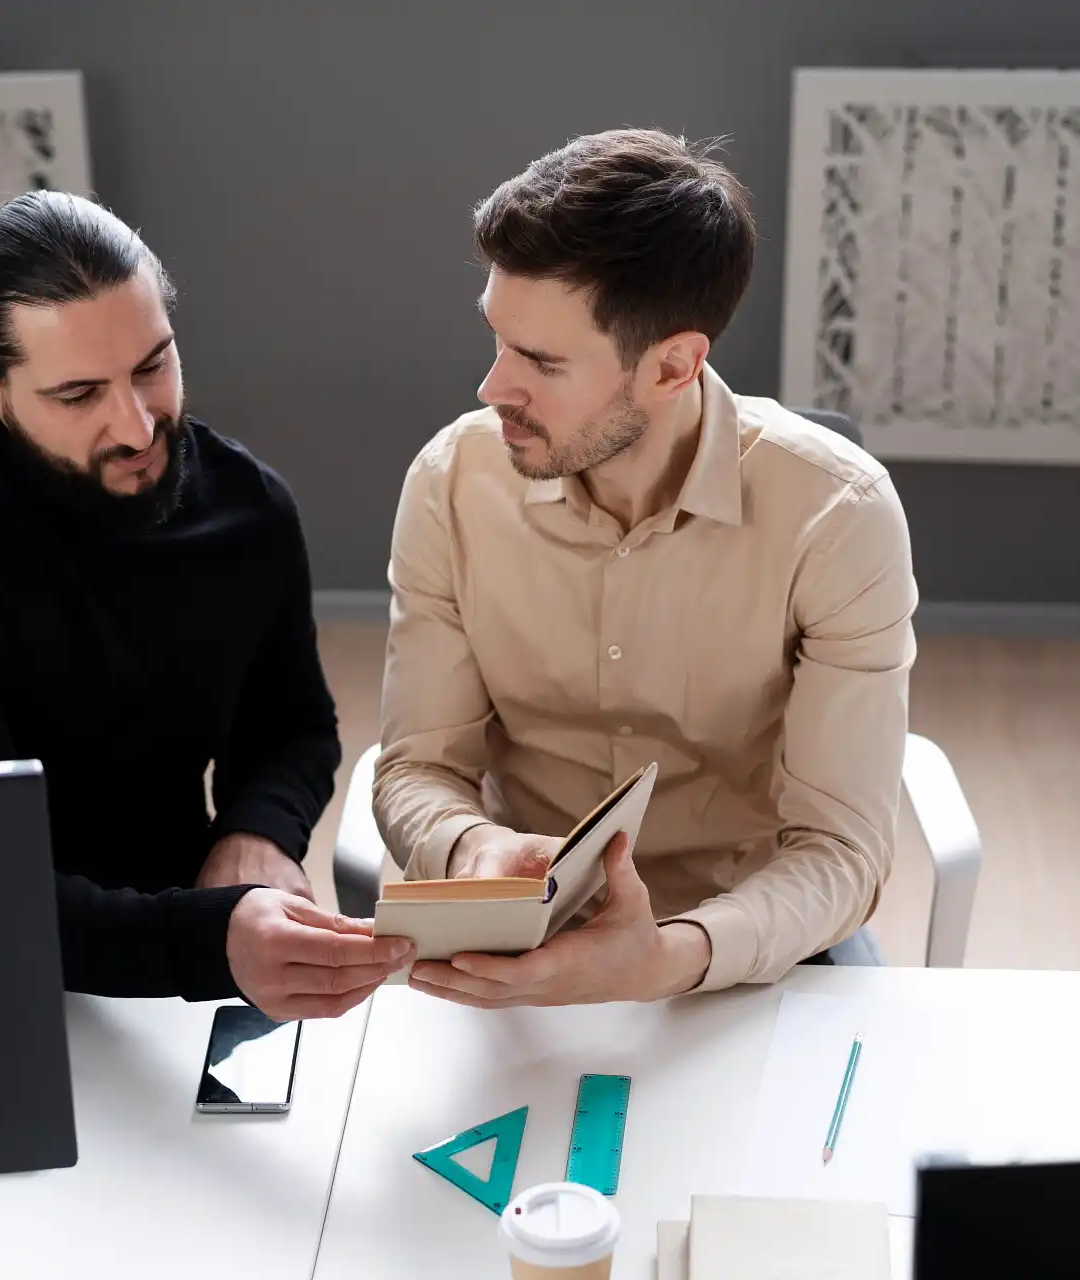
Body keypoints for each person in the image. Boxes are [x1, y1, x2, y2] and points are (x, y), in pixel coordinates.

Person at [0, 191, 412, 1019]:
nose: (135, 428)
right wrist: (207, 943)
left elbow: (291, 724)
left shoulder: (247, 507)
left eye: (153, 366)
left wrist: (255, 831)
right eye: (80, 394)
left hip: (167, 941)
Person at [376, 130, 917, 1008]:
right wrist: (472, 850)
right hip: (512, 937)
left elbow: (840, 850)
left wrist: (671, 956)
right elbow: (415, 768)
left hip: (742, 947)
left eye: (543, 362)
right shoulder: (451, 483)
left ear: (672, 365)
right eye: (500, 340)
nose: (490, 389)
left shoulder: (838, 515)